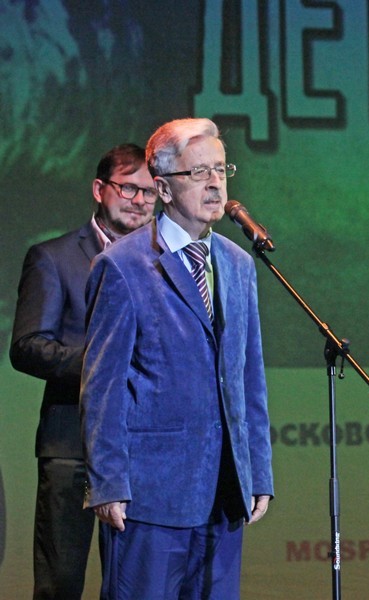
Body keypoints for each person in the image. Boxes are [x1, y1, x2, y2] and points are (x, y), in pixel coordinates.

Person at [80, 117, 274, 599]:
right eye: (198, 172)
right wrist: (108, 482)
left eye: (221, 169)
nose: (215, 183)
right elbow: (103, 387)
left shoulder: (238, 264)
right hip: (151, 498)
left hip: (224, 494)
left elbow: (249, 378)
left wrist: (257, 471)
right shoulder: (122, 266)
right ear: (163, 188)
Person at [9, 143, 156, 599]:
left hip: (142, 451)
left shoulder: (164, 262)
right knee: (61, 584)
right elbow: (28, 347)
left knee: (137, 586)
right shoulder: (53, 257)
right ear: (99, 189)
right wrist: (104, 363)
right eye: (128, 188)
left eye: (150, 192)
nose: (139, 201)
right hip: (71, 446)